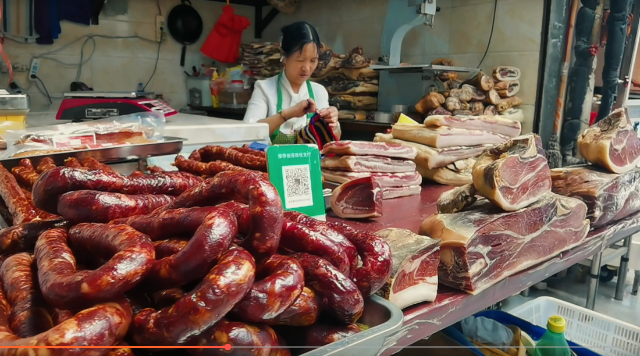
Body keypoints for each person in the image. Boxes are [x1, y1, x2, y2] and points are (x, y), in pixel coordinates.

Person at [243, 22, 340, 144]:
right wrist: (287, 115)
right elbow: (248, 132)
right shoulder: (264, 88)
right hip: (270, 163)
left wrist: (333, 123)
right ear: (284, 56)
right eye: (300, 60)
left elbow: (331, 140)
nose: (307, 68)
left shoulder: (318, 91)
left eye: (313, 60)